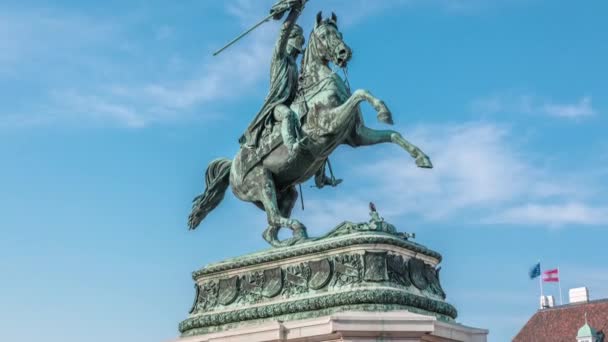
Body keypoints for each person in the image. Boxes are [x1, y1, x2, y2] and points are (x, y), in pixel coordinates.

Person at [239, 0, 306, 159]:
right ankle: (292, 147)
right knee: (288, 115)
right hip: (275, 106)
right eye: (297, 41)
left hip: (290, 103)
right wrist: (296, 11)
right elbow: (284, 31)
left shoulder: (294, 67)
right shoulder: (279, 57)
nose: (298, 48)